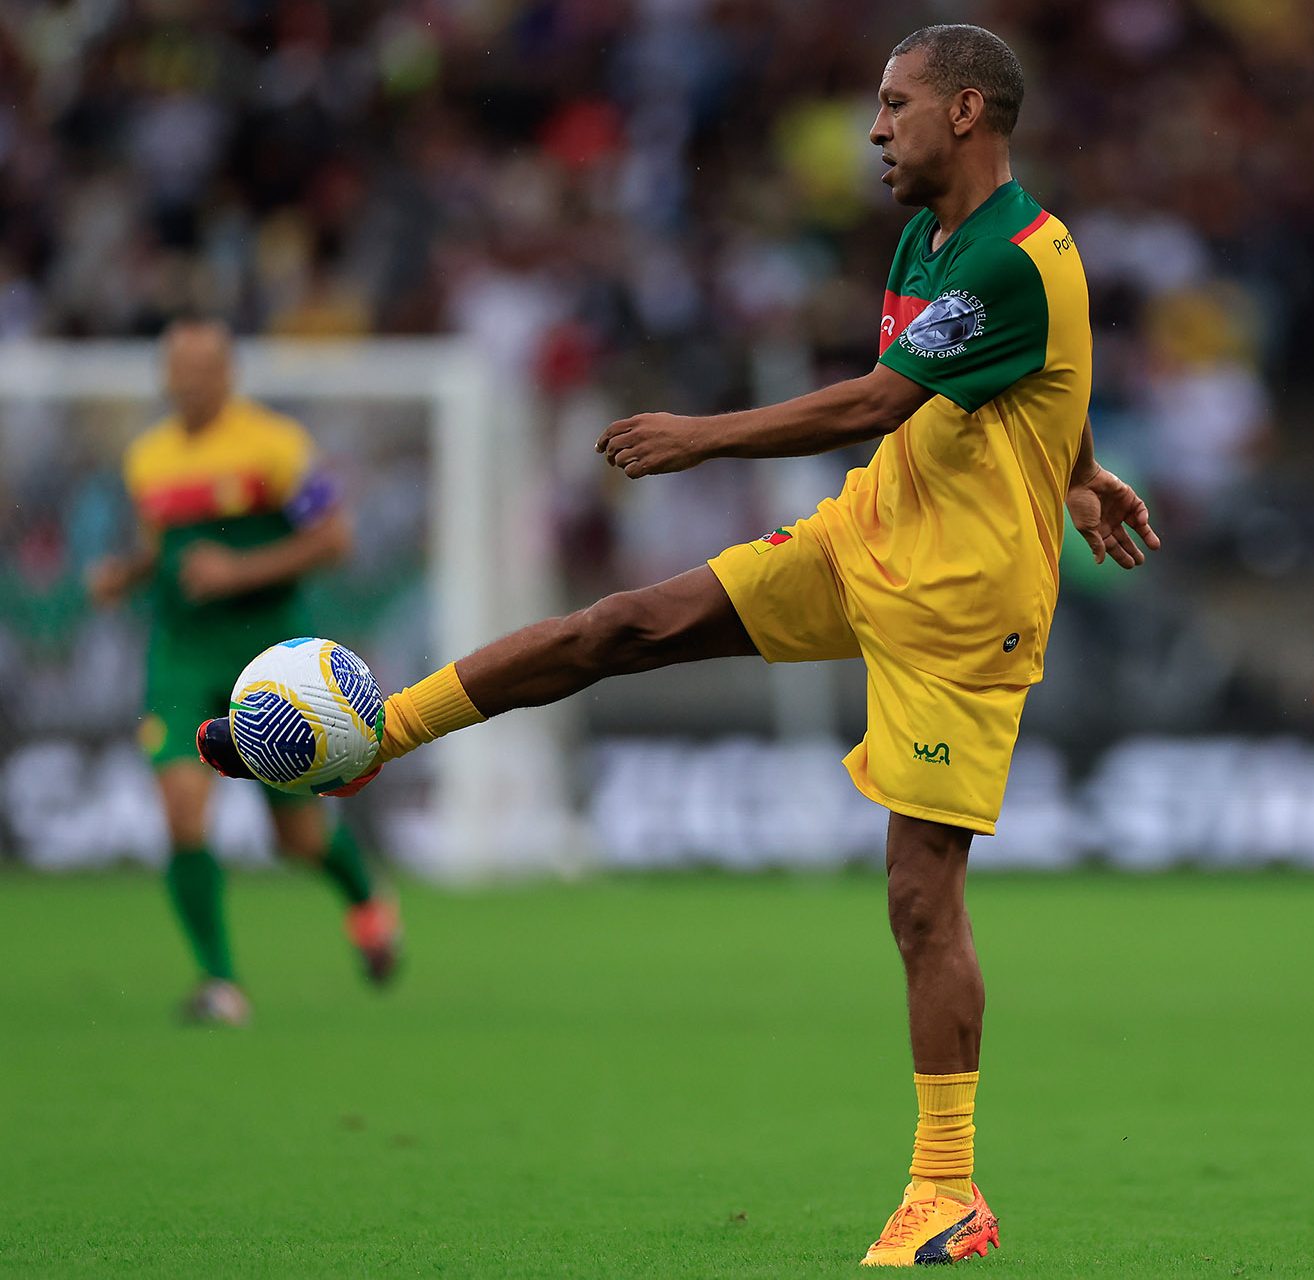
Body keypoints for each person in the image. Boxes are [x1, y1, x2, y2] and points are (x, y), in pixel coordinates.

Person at [200, 23, 1155, 1266]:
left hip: (962, 618)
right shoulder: (931, 236)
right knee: (621, 624)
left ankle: (948, 1190)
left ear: (967, 113)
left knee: (921, 901)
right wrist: (1076, 469)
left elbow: (882, 398)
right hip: (870, 536)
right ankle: (374, 737)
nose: (873, 129)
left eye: (894, 105)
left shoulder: (1026, 257)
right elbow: (1024, 376)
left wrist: (701, 437)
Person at [90, 318, 402, 1027]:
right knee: (181, 810)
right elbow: (163, 551)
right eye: (177, 369)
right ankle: (220, 982)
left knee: (296, 839)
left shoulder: (277, 448)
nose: (188, 381)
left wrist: (239, 571)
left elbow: (335, 540)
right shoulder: (149, 458)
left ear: (228, 374)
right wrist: (125, 575)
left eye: (203, 368)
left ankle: (364, 895)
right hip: (180, 652)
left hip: (266, 665)